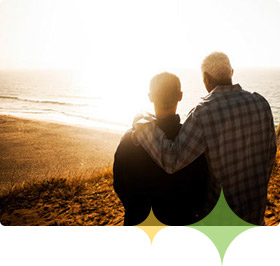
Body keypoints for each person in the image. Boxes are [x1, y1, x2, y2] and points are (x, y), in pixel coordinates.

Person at [133, 52, 277, 225]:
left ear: (206, 79)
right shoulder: (261, 103)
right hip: (256, 216)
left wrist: (144, 123)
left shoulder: (203, 113)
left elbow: (171, 160)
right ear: (231, 72)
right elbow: (270, 155)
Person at [113, 72, 211, 226]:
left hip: (140, 221)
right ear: (180, 96)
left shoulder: (130, 139)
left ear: (150, 97)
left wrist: (136, 210)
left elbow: (119, 184)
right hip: (182, 221)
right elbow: (202, 186)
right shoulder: (191, 141)